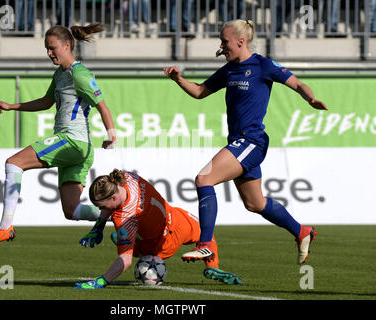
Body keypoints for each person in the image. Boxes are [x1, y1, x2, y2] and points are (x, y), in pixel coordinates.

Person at [163, 19, 328, 265]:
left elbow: (297, 83)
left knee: (203, 179)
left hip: (251, 141)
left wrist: (310, 99)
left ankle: (206, 244)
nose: (221, 46)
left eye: (224, 41)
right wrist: (178, 79)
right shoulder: (229, 69)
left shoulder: (262, 65)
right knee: (255, 203)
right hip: (240, 142)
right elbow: (199, 92)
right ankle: (302, 231)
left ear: (241, 41)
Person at [0, 23, 116, 247]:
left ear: (67, 45)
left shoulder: (80, 74)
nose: (49, 53)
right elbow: (45, 102)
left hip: (72, 141)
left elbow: (102, 106)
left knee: (13, 164)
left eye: (53, 48)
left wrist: (111, 134)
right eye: (46, 48)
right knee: (72, 211)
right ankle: (118, 211)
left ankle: (5, 227)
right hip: (78, 149)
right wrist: (12, 106)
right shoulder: (60, 74)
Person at [74, 169, 242, 289]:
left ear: (113, 197)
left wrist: (101, 281)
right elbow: (110, 206)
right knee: (207, 236)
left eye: (102, 206)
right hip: (176, 218)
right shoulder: (126, 177)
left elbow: (125, 262)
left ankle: (132, 246)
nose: (103, 210)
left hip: (161, 244)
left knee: (129, 247)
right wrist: (99, 226)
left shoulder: (124, 219)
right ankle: (212, 267)